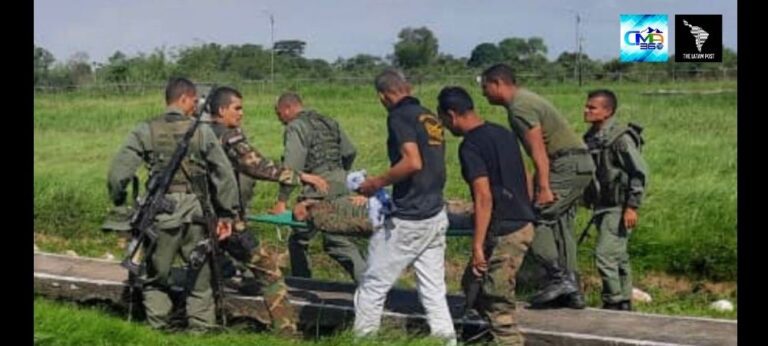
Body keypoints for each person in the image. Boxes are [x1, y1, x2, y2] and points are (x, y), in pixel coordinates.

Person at [107, 77, 239, 332]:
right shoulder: (202, 131)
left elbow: (117, 174)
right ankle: (201, 332)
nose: (196, 106)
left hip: (160, 214)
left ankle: (159, 330)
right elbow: (224, 174)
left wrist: (119, 200)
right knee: (200, 280)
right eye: (194, 101)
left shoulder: (145, 129)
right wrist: (227, 214)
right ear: (184, 99)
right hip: (197, 213)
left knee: (156, 277)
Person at [207, 85, 330, 334]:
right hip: (227, 221)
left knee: (209, 270)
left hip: (200, 218)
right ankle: (286, 334)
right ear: (221, 110)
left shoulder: (199, 133)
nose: (241, 113)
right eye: (237, 108)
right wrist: (301, 176)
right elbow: (257, 166)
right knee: (270, 272)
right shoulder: (228, 136)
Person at [353, 69, 456, 344]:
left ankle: (363, 341)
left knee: (372, 286)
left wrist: (376, 182)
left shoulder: (398, 116)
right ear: (408, 87)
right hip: (435, 213)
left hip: (410, 218)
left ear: (383, 96)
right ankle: (448, 342)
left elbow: (412, 162)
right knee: (434, 291)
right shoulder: (429, 116)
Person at [480, 63, 595, 309]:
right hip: (577, 164)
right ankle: (572, 291)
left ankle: (559, 278)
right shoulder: (528, 100)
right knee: (561, 225)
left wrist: (543, 186)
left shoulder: (519, 107)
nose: (483, 93)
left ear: (498, 84)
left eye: (485, 87)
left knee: (537, 217)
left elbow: (538, 149)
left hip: (566, 164)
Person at [437, 86, 535, 345]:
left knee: (496, 298)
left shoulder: (471, 146)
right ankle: (484, 337)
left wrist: (477, 245)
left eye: (444, 121)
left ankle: (507, 340)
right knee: (473, 284)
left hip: (505, 230)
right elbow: (525, 175)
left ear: (452, 115)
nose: (446, 127)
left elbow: (483, 197)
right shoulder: (502, 132)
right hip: (522, 220)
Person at [269, 92, 366, 283]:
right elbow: (350, 151)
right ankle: (372, 287)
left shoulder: (296, 127)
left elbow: (291, 167)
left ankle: (301, 283)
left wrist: (281, 201)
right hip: (341, 184)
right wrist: (340, 174)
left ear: (287, 108)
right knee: (339, 240)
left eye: (278, 113)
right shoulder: (328, 122)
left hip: (317, 192)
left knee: (301, 238)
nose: (278, 118)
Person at [582, 89, 648, 311]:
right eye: (587, 106)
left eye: (592, 107)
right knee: (618, 255)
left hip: (619, 206)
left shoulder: (620, 139)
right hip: (603, 205)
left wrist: (632, 206)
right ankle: (624, 300)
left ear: (607, 111)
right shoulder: (592, 137)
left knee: (604, 254)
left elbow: (639, 172)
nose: (586, 110)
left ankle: (613, 300)